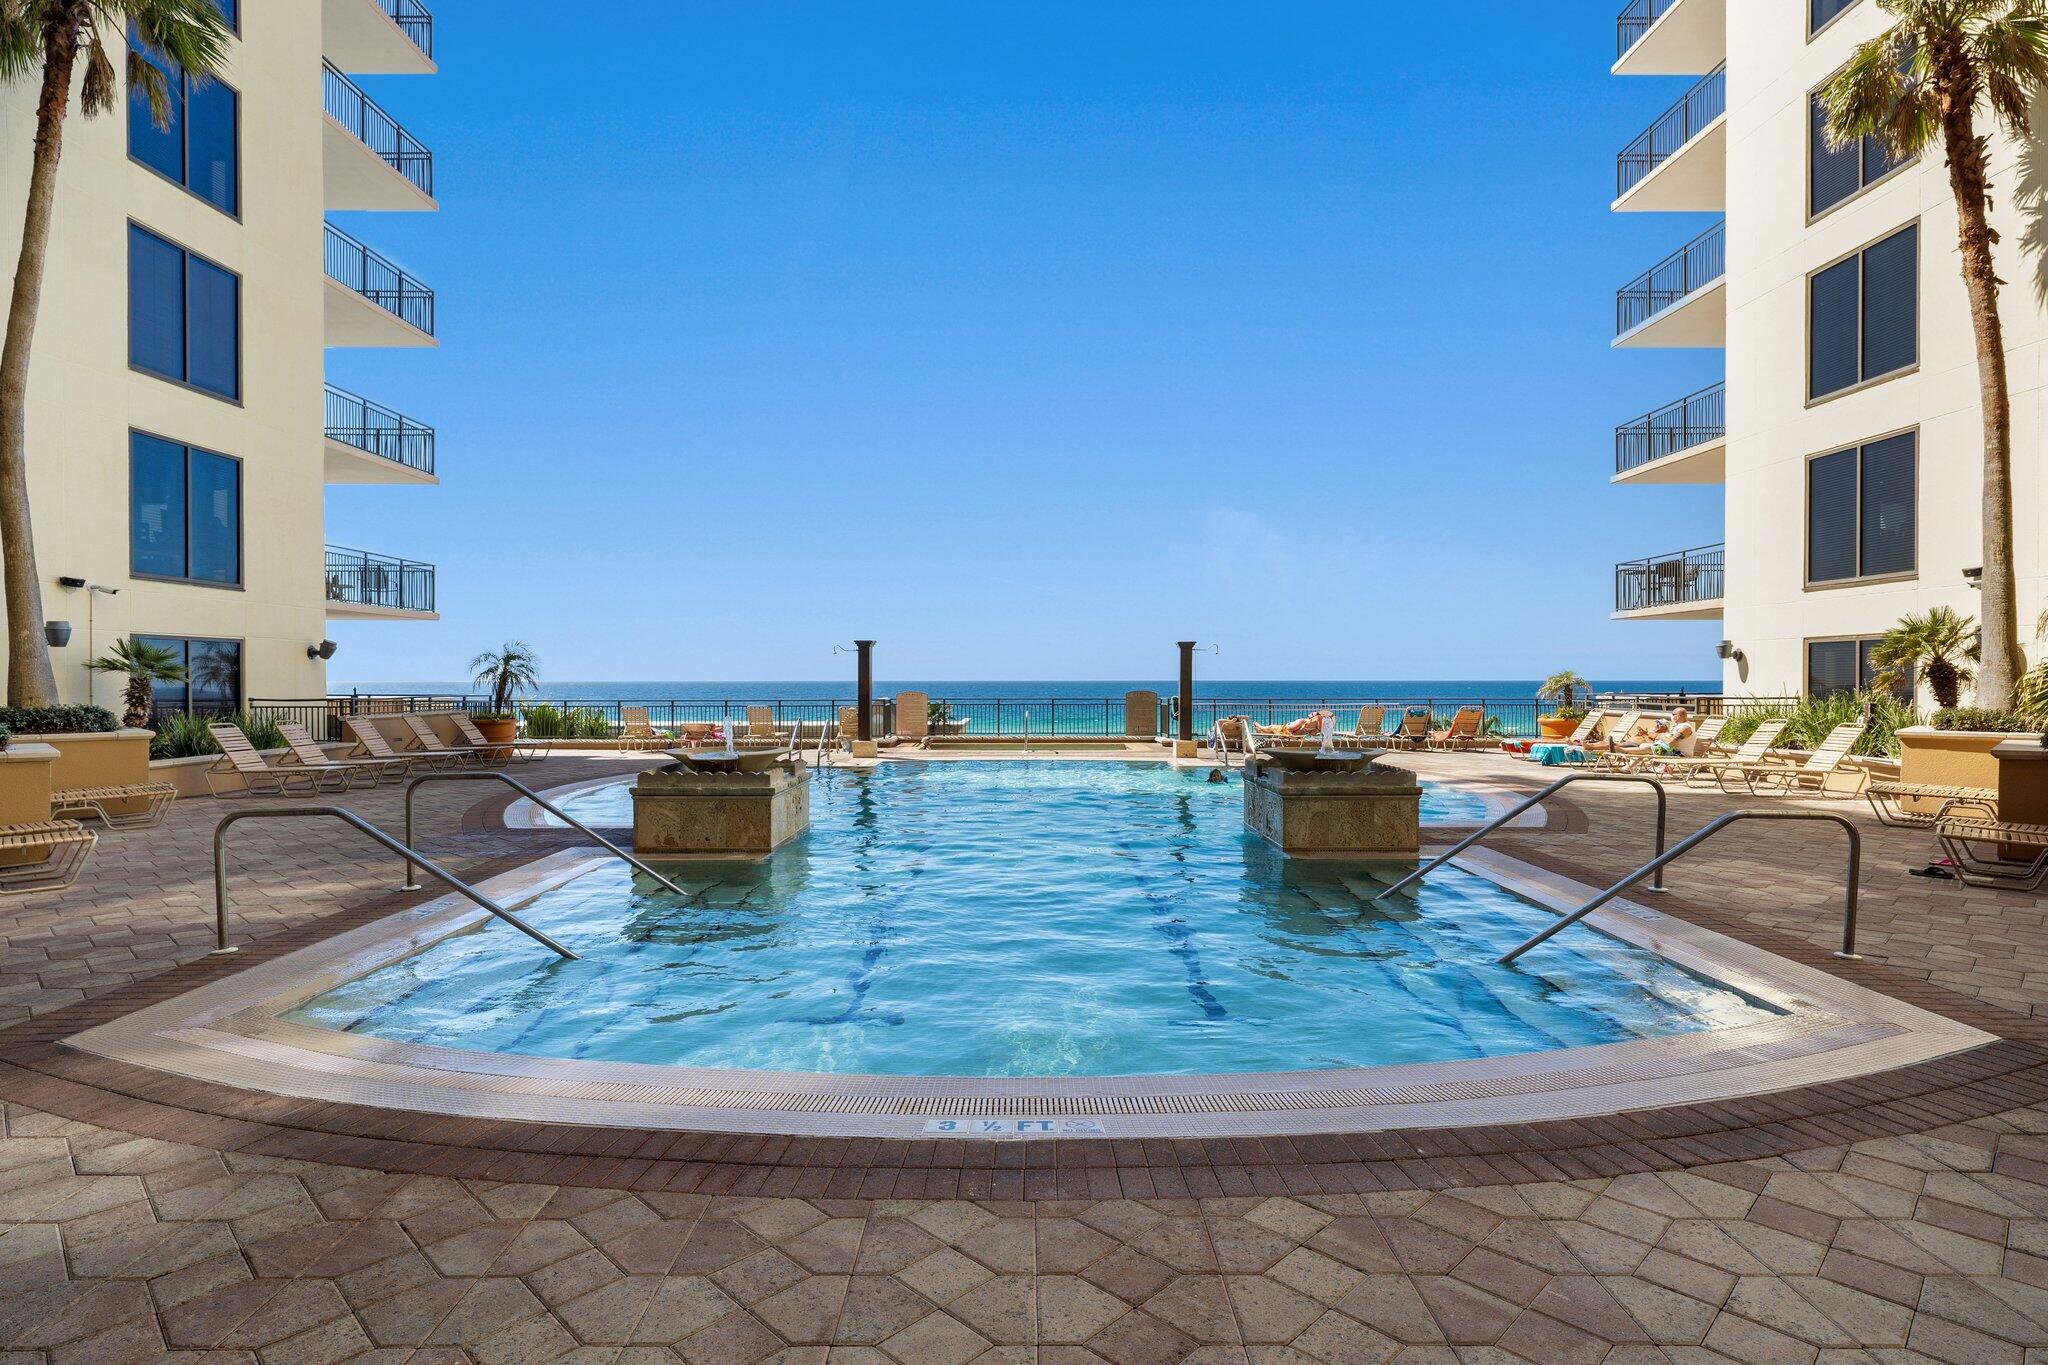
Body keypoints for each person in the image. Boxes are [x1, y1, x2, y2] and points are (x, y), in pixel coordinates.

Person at [1606, 706, 1697, 758]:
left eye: (1673, 714)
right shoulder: (1678, 726)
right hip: (1673, 750)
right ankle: (1627, 768)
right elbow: (1669, 740)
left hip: (1681, 754)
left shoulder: (1685, 728)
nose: (1672, 716)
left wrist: (1661, 736)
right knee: (1644, 746)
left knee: (1649, 748)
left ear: (1680, 715)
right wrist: (1661, 736)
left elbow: (1670, 742)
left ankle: (1619, 750)